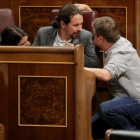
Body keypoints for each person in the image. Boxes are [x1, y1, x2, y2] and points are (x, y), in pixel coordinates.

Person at [84, 16, 140, 139]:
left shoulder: (122, 52)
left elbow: (106, 75)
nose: (92, 37)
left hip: (136, 103)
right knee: (89, 128)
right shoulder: (114, 43)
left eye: (94, 35)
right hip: (123, 104)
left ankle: (134, 135)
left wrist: (79, 68)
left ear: (101, 38)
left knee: (106, 108)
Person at [33, 3, 100, 68]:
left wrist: (76, 54)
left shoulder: (85, 36)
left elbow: (95, 65)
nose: (80, 29)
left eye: (81, 24)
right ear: (63, 24)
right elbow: (31, 58)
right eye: (76, 25)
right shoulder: (43, 33)